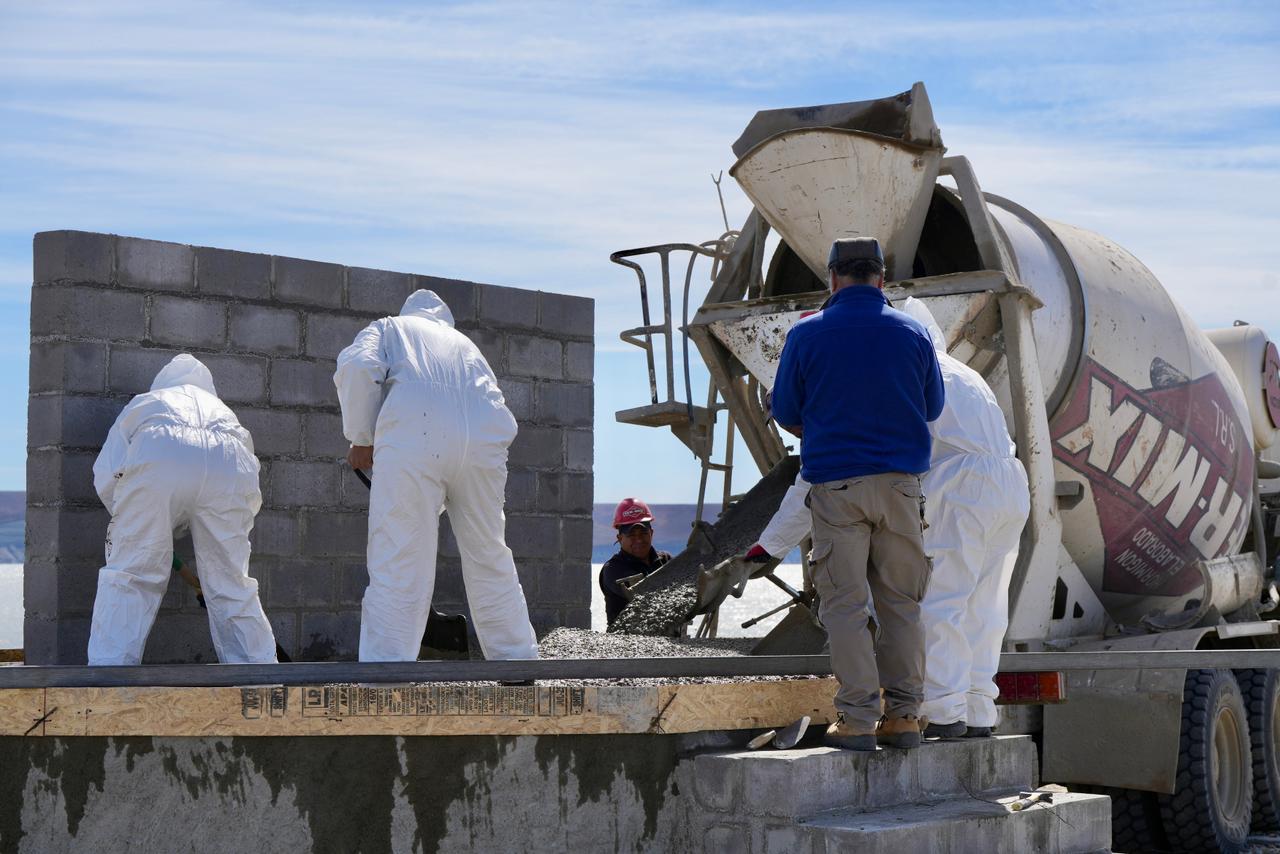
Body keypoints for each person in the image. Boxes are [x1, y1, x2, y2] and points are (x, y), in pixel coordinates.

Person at [745, 297, 1029, 739]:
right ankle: (977, 712)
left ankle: (943, 713)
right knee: (984, 607)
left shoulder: (875, 372)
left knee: (937, 602)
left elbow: (822, 472)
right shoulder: (956, 369)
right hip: (1009, 483)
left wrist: (771, 546)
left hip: (958, 482)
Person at [770, 237, 944, 751]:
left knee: (845, 605)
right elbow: (932, 407)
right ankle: (906, 717)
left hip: (837, 488)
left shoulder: (806, 335)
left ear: (832, 279)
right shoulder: (914, 333)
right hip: (900, 488)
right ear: (881, 279)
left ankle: (858, 720)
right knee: (901, 604)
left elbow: (784, 410)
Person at [334, 289, 538, 662]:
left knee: (399, 559)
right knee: (489, 553)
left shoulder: (390, 329)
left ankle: (386, 677)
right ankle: (517, 664)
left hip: (416, 439)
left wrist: (361, 438)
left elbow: (358, 367)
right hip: (482, 447)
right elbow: (495, 404)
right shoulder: (466, 345)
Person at [87, 354, 278, 665]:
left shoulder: (148, 403)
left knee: (131, 576)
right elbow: (248, 491)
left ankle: (110, 681)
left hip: (160, 453)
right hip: (228, 467)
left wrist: (135, 525)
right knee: (231, 583)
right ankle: (259, 678)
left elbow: (106, 473)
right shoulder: (224, 412)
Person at [599, 498, 672, 626]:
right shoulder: (613, 569)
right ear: (620, 538)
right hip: (625, 642)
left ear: (651, 533)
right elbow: (645, 595)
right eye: (631, 535)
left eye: (643, 533)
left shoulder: (666, 560)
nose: (638, 539)